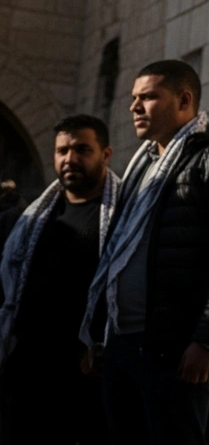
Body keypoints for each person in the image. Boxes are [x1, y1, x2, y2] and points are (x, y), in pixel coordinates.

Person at [80, 60, 209, 444]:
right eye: (133, 98)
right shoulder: (141, 165)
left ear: (184, 99)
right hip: (124, 343)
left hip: (178, 349)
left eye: (148, 97)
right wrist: (98, 334)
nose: (135, 107)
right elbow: (115, 254)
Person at [0, 115, 117, 444]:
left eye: (82, 149)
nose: (70, 159)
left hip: (84, 381)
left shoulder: (123, 217)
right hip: (25, 375)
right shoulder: (29, 219)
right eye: (62, 151)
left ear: (105, 154)